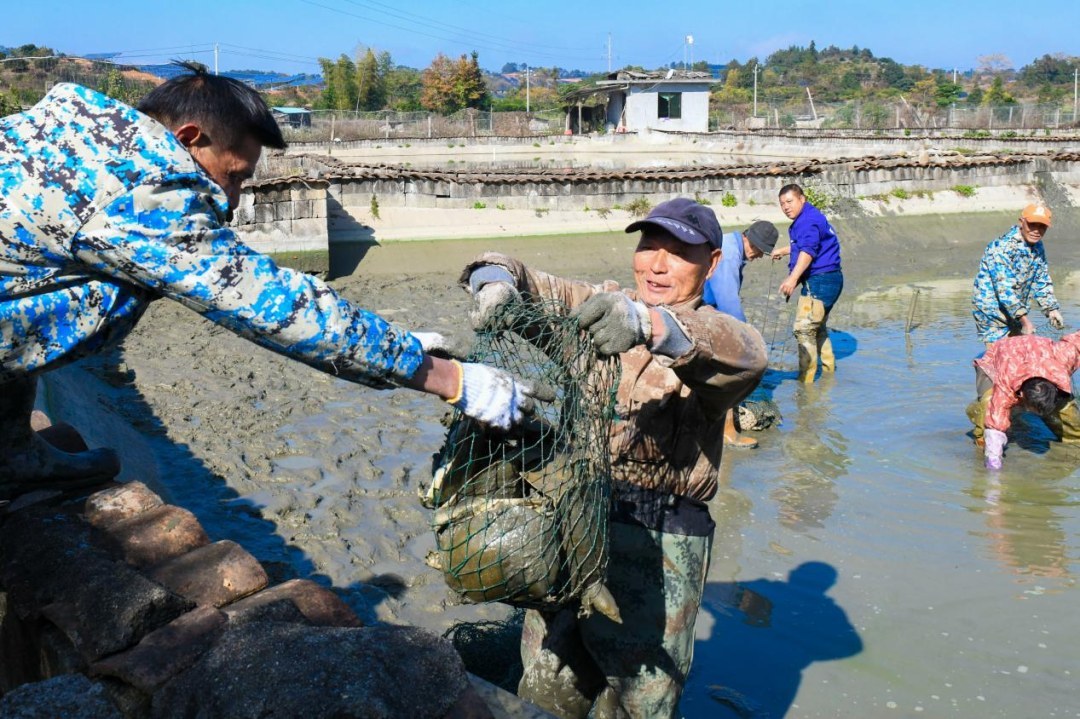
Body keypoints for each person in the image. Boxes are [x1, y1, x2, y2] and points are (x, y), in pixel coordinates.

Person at [0, 63, 538, 500]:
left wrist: (393, 343)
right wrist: (449, 379)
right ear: (190, 138)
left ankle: (12, 453)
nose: (233, 200)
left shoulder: (77, 130)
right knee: (123, 288)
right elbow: (269, 304)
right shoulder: (138, 194)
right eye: (233, 175)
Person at [460, 197, 767, 718]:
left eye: (679, 253)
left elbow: (746, 354)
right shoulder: (600, 302)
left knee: (642, 695)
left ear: (713, 263)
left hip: (663, 539)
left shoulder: (715, 332)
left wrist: (649, 325)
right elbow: (516, 272)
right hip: (574, 519)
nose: (658, 264)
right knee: (549, 677)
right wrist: (492, 281)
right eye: (649, 247)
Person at [703, 220, 779, 448]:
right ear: (749, 239)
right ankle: (727, 432)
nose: (758, 256)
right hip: (702, 311)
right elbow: (729, 303)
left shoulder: (729, 243)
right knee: (731, 372)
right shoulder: (729, 253)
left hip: (704, 309)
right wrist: (748, 338)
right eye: (758, 250)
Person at [965, 331, 1080, 469]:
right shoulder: (1006, 385)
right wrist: (993, 460)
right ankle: (981, 439)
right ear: (1023, 395)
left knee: (1066, 411)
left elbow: (1075, 341)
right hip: (994, 360)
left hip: (1040, 352)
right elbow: (996, 421)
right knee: (987, 405)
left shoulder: (1065, 356)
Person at [771, 184, 843, 383]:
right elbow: (805, 243)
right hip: (831, 279)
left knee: (804, 330)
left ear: (802, 199)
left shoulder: (807, 221)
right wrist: (784, 250)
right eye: (782, 204)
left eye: (790, 201)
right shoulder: (810, 216)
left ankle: (806, 384)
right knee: (817, 328)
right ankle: (829, 374)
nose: (786, 207)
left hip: (820, 281)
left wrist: (792, 278)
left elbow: (808, 251)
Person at [971, 203, 1063, 346]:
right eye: (1032, 225)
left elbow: (1041, 279)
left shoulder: (1038, 246)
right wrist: (1025, 321)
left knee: (1019, 353)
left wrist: (1051, 309)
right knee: (1001, 358)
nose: (1036, 231)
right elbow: (1004, 290)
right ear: (1021, 222)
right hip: (992, 314)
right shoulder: (1001, 248)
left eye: (1042, 226)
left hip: (1016, 312)